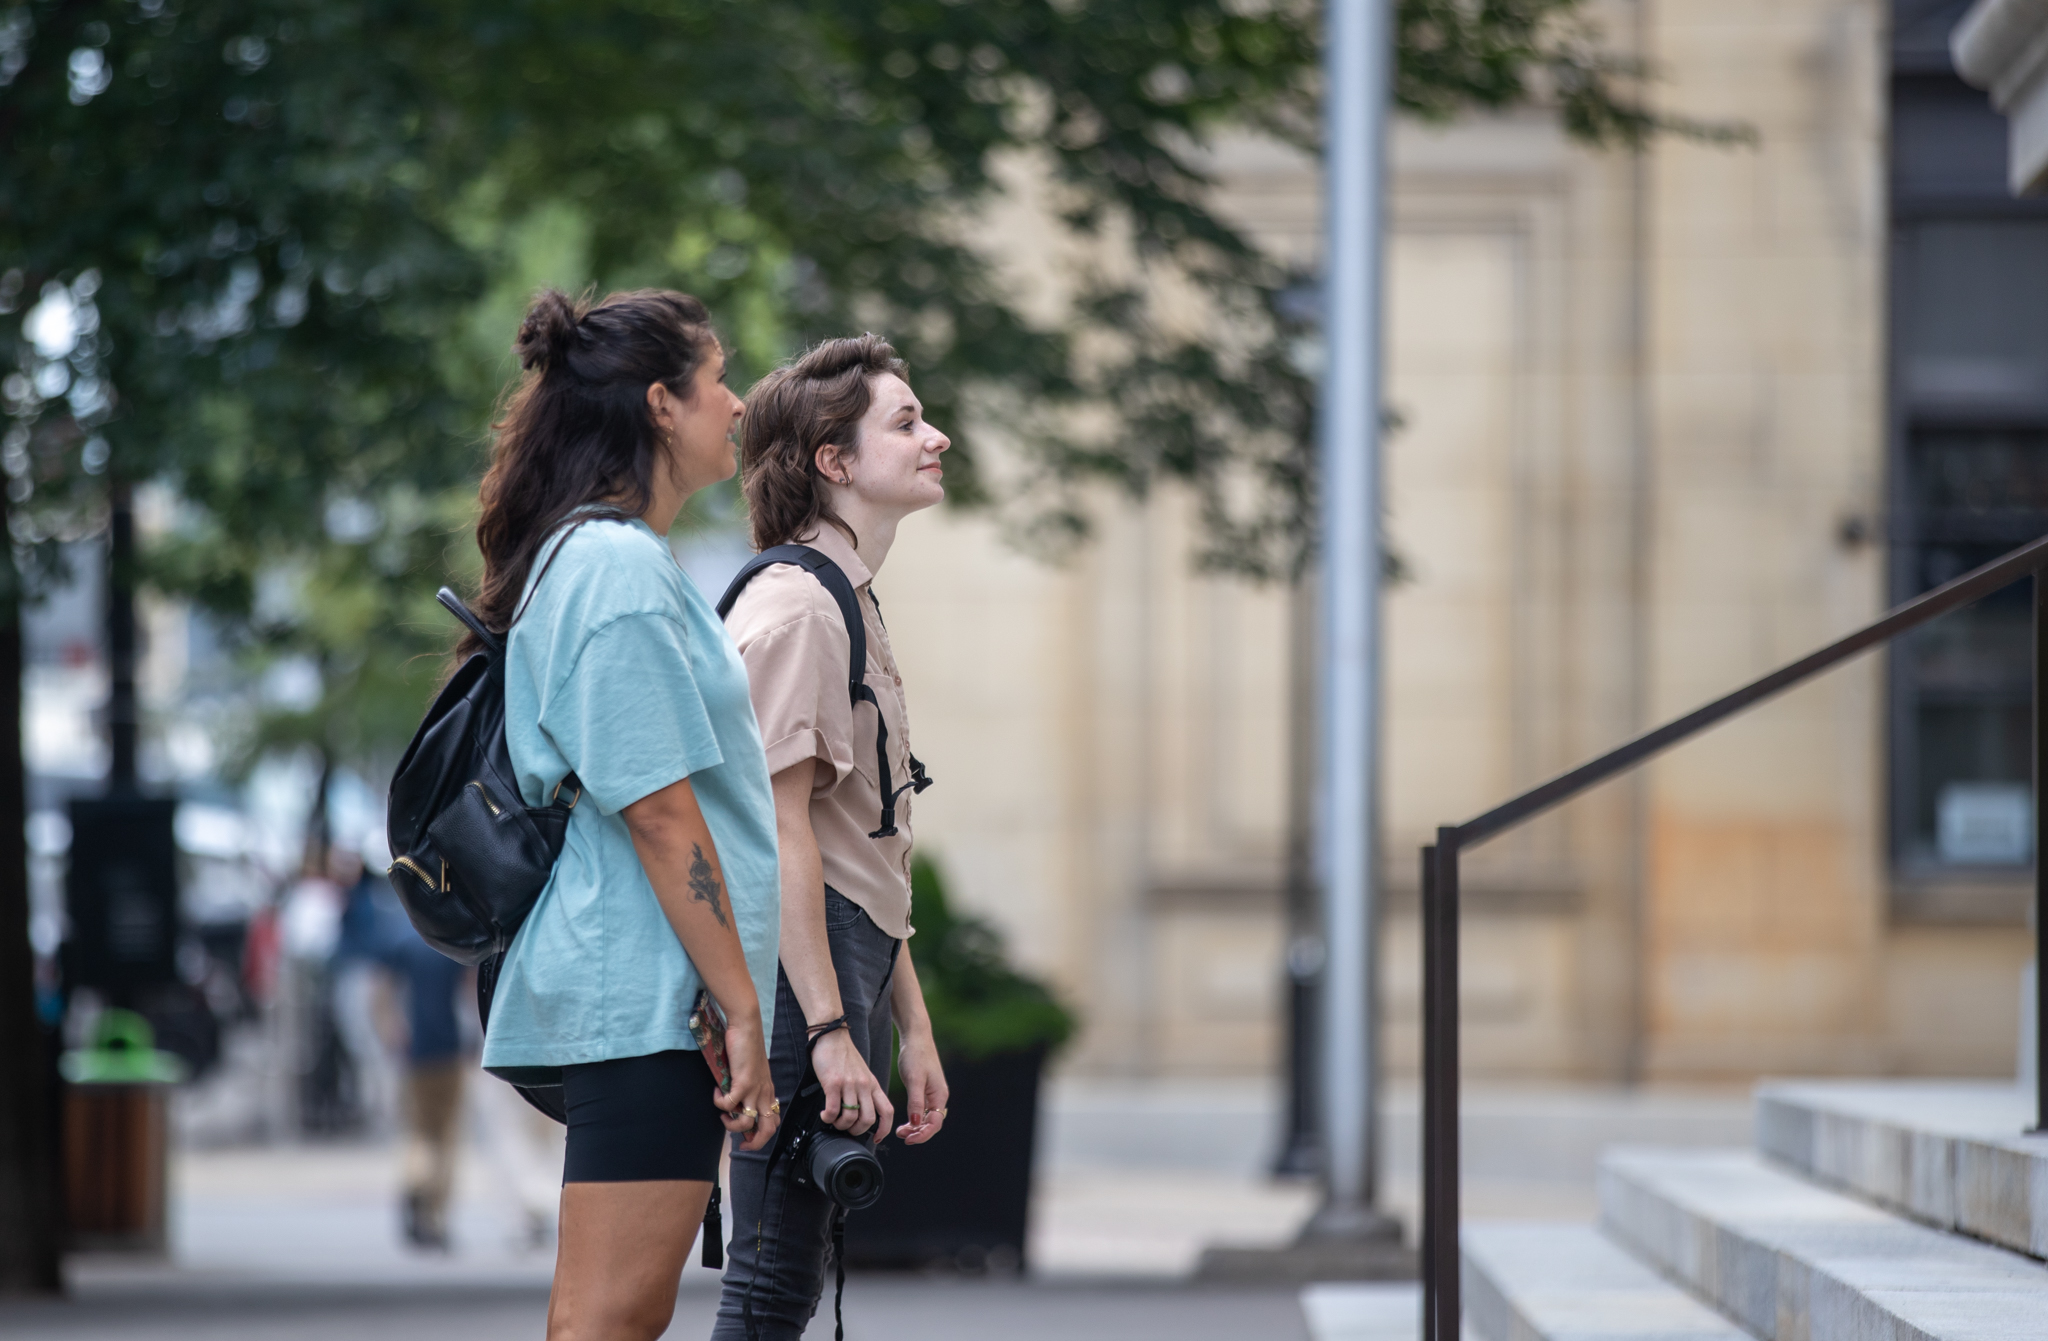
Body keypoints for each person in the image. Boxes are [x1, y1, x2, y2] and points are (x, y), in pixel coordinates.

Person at [469, 288, 782, 1341]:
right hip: (646, 999)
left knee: (600, 1323)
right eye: (718, 378)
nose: (737, 404)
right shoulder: (612, 568)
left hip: (640, 991)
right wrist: (739, 1008)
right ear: (660, 403)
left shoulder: (600, 559)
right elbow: (659, 813)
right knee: (608, 1325)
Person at [713, 335, 952, 1340]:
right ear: (832, 460)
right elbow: (777, 834)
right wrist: (823, 1031)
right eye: (904, 422)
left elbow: (862, 846)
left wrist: (914, 1026)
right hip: (795, 979)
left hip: (837, 961)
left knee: (785, 1283)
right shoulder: (799, 608)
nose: (935, 436)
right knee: (766, 1286)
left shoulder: (844, 599)